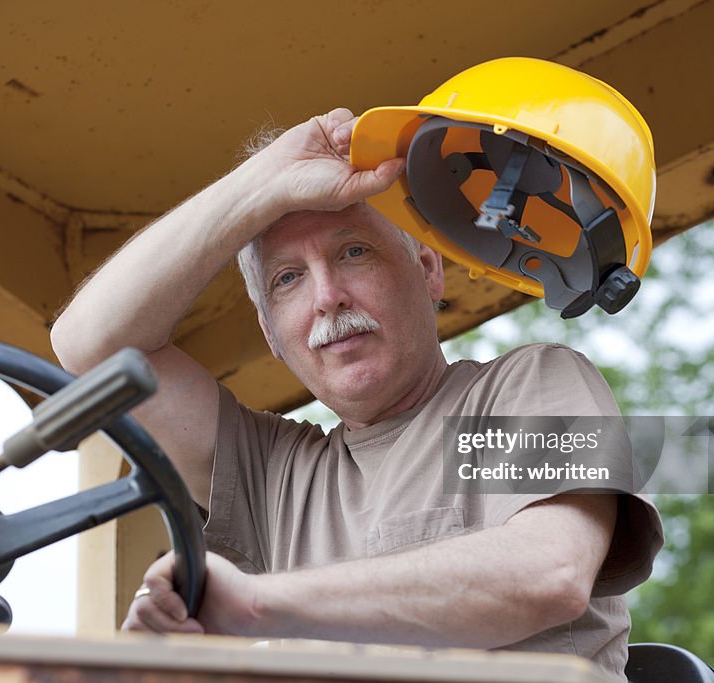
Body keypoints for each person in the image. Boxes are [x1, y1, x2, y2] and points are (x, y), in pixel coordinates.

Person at [50, 107, 663, 680]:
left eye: (354, 252)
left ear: (427, 270)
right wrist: (264, 183)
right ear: (271, 331)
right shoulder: (272, 475)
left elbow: (548, 572)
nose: (327, 296)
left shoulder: (527, 383)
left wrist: (256, 604)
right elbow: (90, 347)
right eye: (288, 278)